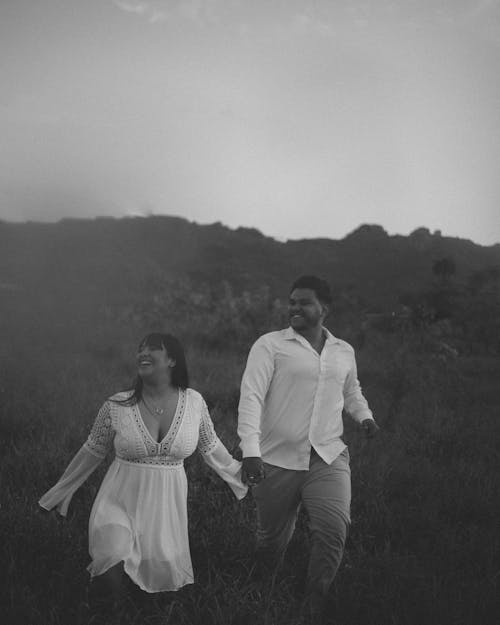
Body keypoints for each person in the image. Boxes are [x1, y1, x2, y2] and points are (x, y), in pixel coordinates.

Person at [39, 332, 247, 603]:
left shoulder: (194, 402)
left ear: (172, 360)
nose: (143, 354)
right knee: (109, 564)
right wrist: (57, 494)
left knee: (157, 594)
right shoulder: (117, 405)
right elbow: (91, 452)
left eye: (152, 349)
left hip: (165, 512)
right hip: (118, 501)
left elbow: (211, 447)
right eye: (140, 349)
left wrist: (242, 474)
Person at [237, 275, 379, 615]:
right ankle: (259, 595)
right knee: (271, 541)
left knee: (333, 530)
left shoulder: (344, 351)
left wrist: (365, 417)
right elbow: (251, 397)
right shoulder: (270, 345)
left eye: (304, 302)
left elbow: (351, 391)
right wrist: (251, 451)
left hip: (328, 456)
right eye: (292, 302)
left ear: (323, 309)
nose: (294, 308)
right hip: (276, 459)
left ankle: (313, 605)